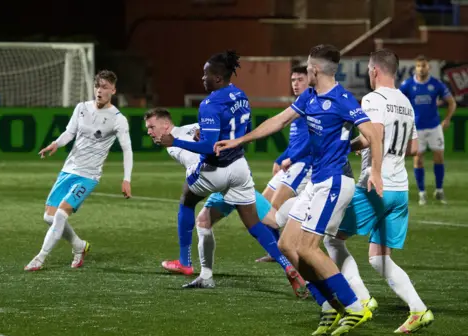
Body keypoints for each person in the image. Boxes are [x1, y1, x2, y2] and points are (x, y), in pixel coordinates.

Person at [214, 44, 384, 336]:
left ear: (315, 70)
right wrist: (240, 140)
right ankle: (329, 305)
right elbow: (279, 120)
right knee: (286, 245)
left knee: (307, 247)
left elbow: (374, 134)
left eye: (307, 67)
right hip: (317, 181)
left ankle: (355, 306)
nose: (305, 72)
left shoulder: (342, 99)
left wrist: (376, 172)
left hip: (334, 182)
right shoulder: (310, 96)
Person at [153, 50, 304, 292]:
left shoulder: (210, 103)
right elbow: (247, 129)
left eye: (206, 74)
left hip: (218, 169)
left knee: (187, 200)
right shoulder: (241, 96)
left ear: (219, 78)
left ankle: (184, 261)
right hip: (240, 167)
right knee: (254, 224)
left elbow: (209, 148)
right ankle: (287, 266)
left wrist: (175, 141)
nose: (203, 78)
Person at [329, 49, 434, 334]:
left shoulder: (373, 99)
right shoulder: (406, 103)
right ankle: (418, 309)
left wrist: (345, 148)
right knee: (378, 258)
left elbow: (372, 136)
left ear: (374, 71)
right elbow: (414, 148)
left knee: (331, 238)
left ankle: (362, 300)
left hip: (376, 186)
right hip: (400, 190)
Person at [24, 70, 133, 271]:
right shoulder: (81, 108)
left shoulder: (118, 118)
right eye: (97, 86)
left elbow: (127, 149)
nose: (99, 91)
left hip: (89, 176)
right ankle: (79, 245)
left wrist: (126, 179)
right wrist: (56, 143)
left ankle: (40, 258)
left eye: (105, 87)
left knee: (60, 216)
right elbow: (70, 132)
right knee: (48, 217)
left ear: (113, 90)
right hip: (69, 169)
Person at [258, 65, 313, 263]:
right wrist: (280, 158)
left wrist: (291, 158)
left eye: (300, 79)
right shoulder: (300, 102)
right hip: (292, 162)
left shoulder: (312, 103)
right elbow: (295, 141)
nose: (296, 84)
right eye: (293, 80)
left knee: (274, 208)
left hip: (303, 164)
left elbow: (313, 141)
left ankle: (291, 248)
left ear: (310, 79)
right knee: (260, 206)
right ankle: (277, 251)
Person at [399, 55, 456, 205]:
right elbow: (398, 101)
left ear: (428, 67)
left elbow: (451, 102)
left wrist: (447, 119)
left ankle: (439, 190)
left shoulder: (436, 84)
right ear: (415, 68)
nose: (421, 68)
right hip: (416, 128)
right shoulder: (407, 84)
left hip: (434, 126)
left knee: (439, 157)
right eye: (418, 66)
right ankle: (422, 193)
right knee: (418, 159)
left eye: (424, 66)